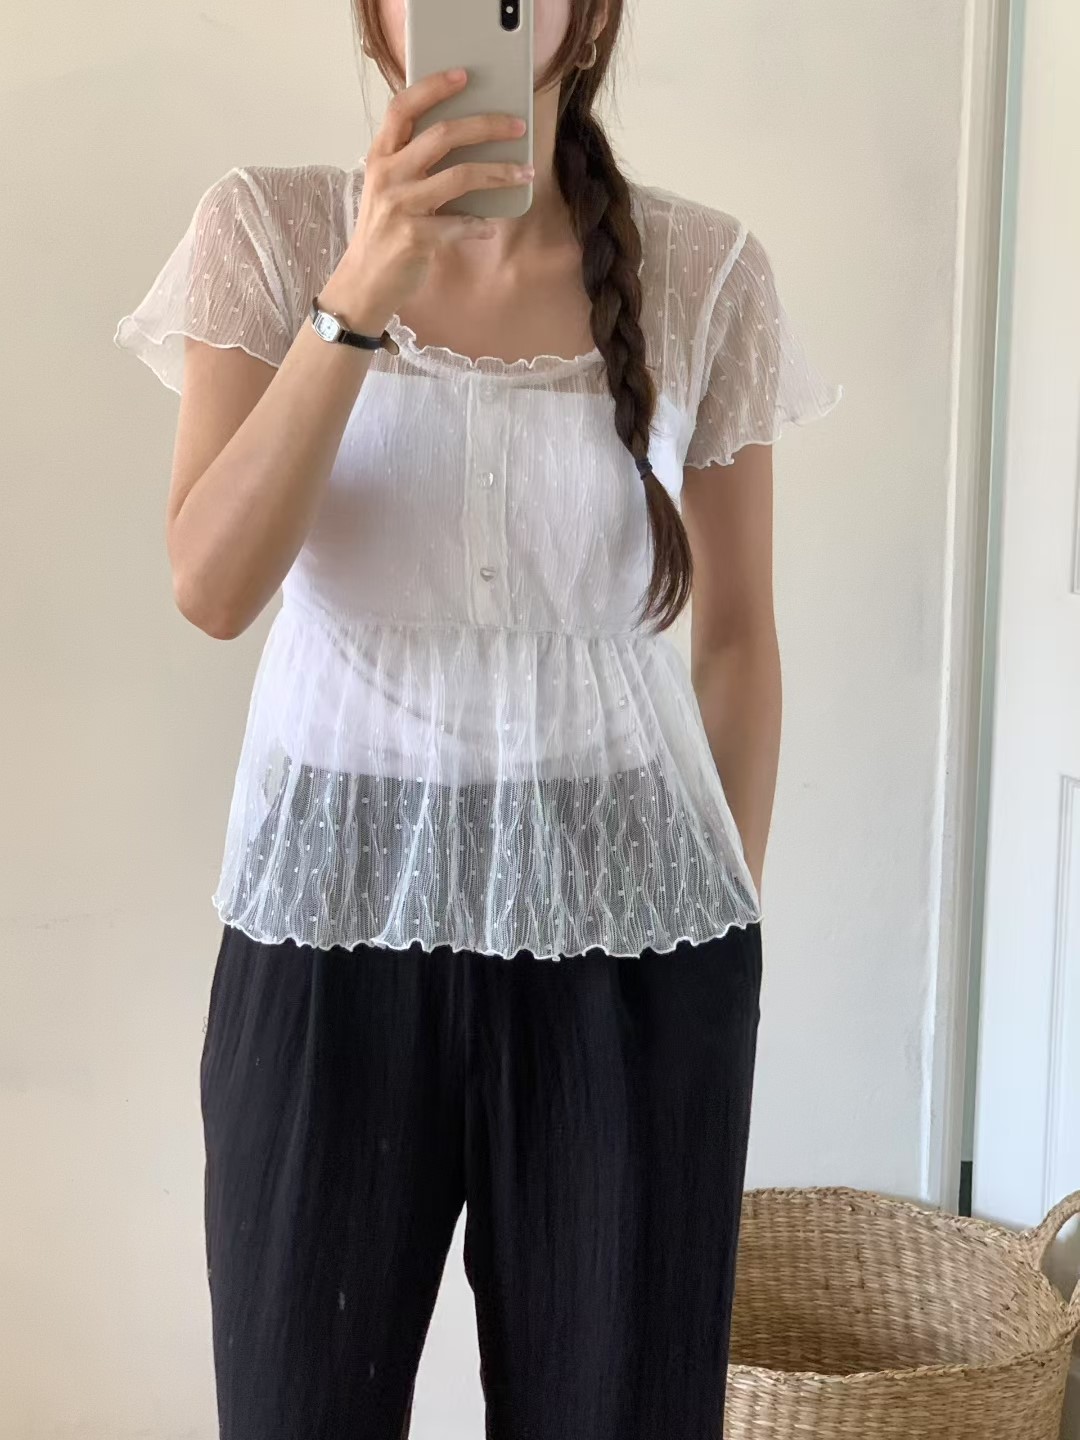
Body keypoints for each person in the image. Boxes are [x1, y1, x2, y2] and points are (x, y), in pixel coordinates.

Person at [113, 1, 840, 1435]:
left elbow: (740, 636)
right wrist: (360, 286)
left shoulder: (705, 271)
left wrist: (724, 930)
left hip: (630, 949)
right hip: (326, 929)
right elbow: (211, 585)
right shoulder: (268, 230)